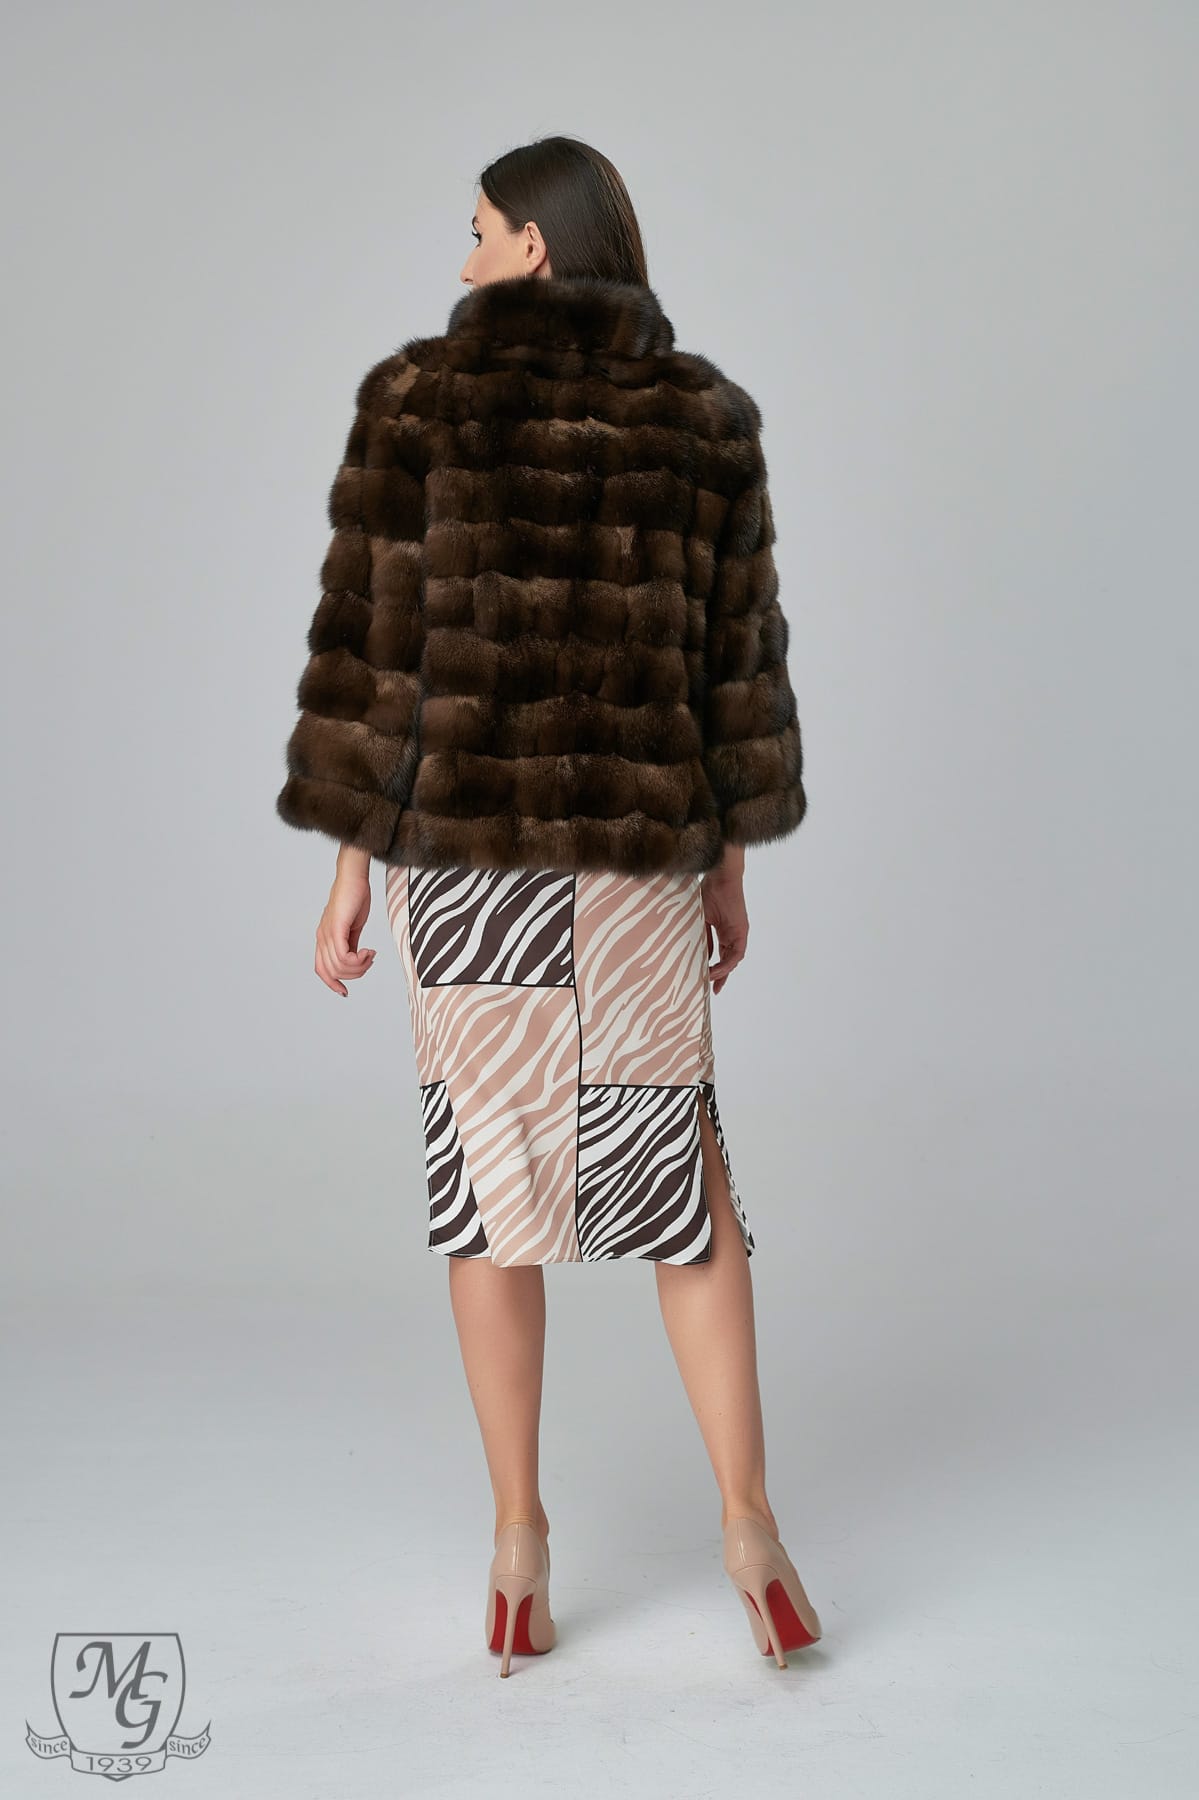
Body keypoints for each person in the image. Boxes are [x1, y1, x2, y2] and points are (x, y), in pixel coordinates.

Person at [275, 134, 821, 1675]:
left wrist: (349, 864)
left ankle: (518, 1542)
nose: (461, 255)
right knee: (681, 1192)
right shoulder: (703, 418)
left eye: (475, 229)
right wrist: (727, 860)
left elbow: (375, 655)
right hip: (636, 870)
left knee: (489, 1190)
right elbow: (736, 662)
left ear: (531, 244)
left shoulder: (415, 404)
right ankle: (751, 1529)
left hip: (474, 872)